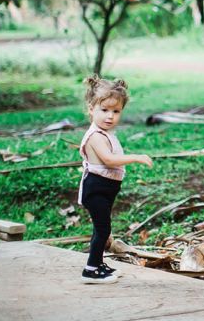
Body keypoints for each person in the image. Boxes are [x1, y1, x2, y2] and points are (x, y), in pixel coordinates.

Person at [77, 75, 153, 284]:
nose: (110, 116)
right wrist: (136, 157)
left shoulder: (105, 132)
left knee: (102, 229)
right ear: (91, 109)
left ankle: (98, 263)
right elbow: (109, 160)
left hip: (106, 188)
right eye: (104, 110)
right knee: (102, 229)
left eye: (116, 111)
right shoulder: (96, 136)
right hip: (96, 189)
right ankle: (91, 269)